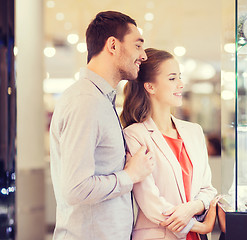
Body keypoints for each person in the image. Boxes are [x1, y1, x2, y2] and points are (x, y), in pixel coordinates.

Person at [49, 11, 155, 240]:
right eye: (137, 46)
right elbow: (76, 189)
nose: (143, 55)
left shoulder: (99, 99)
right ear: (113, 45)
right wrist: (130, 175)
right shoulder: (85, 102)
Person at [120, 48, 218, 240]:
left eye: (180, 77)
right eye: (172, 78)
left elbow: (208, 189)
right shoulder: (135, 135)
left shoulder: (194, 131)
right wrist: (200, 226)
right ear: (150, 87)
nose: (181, 84)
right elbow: (151, 203)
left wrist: (192, 208)